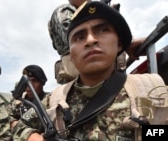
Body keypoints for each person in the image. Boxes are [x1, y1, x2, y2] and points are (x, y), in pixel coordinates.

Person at [12, 1, 168, 141]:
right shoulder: (56, 100)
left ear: (120, 44)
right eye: (79, 37)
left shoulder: (150, 90)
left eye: (102, 30)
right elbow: (18, 126)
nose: (90, 40)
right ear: (70, 54)